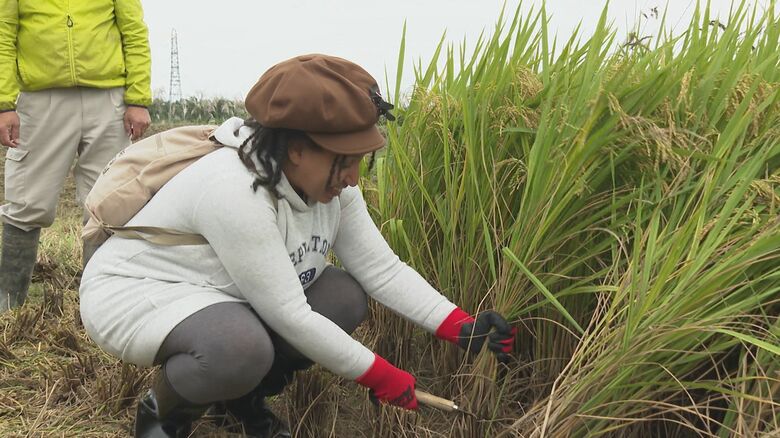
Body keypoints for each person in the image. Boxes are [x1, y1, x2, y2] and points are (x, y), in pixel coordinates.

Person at [78, 54, 515, 438]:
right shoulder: (232, 190)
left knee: (342, 295)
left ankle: (239, 401)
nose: (353, 178)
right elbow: (291, 315)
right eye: (344, 161)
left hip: (226, 294)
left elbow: (383, 270)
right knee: (239, 347)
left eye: (360, 161)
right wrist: (381, 375)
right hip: (142, 290)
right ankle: (163, 417)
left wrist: (460, 326)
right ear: (297, 150)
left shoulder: (334, 191)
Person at [0, 0, 152, 312]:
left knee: (109, 203)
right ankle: (8, 302)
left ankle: (100, 306)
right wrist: (4, 103)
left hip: (109, 101)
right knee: (27, 200)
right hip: (42, 101)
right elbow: (3, 35)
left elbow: (134, 33)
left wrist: (138, 98)